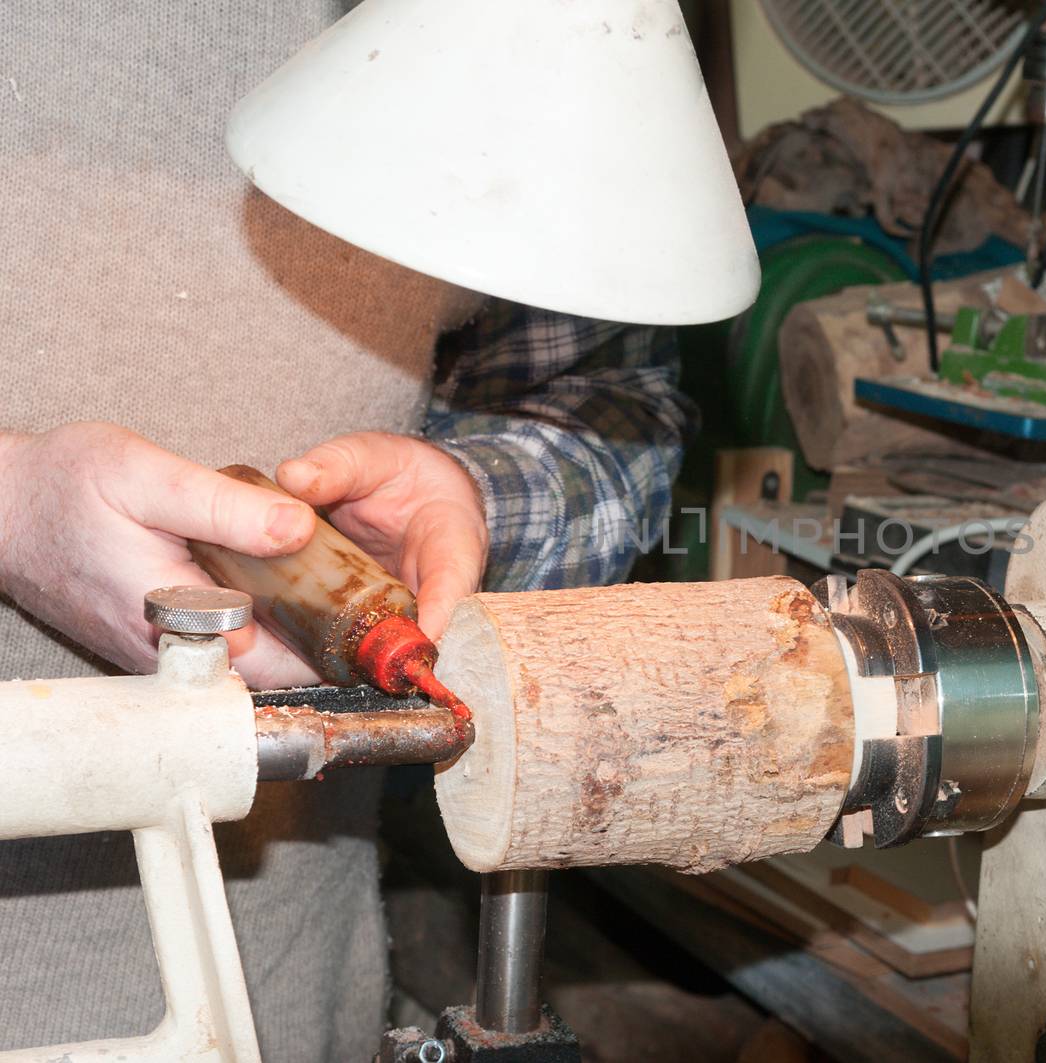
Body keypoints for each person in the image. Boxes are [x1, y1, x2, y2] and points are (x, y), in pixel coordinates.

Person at [0, 6, 693, 1059]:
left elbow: (605, 410)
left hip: (278, 982)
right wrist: (9, 506)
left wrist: (469, 500)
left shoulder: (512, 34)